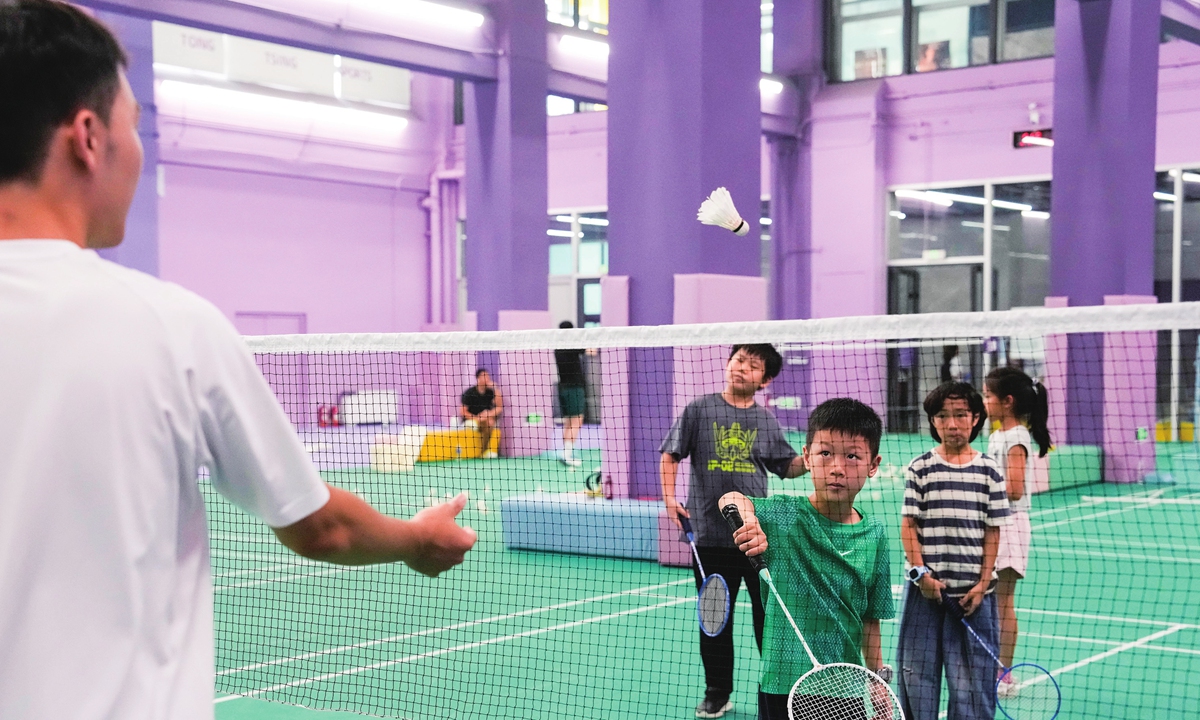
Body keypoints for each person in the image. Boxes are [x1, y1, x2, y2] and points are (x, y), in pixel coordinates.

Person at [0, 3, 477, 717]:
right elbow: (323, 527)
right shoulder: (171, 327)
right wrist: (415, 540)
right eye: (135, 128)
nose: (139, 154)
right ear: (88, 138)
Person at [719, 398, 895, 720]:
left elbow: (871, 617)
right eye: (825, 453)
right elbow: (731, 498)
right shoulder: (784, 515)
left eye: (853, 456)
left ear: (873, 464)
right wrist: (749, 521)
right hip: (782, 683)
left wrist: (877, 679)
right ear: (807, 457)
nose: (837, 467)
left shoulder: (875, 535)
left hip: (846, 687)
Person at [660, 343, 808, 719]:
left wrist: (812, 457)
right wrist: (668, 498)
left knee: (767, 619)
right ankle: (717, 691)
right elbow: (670, 453)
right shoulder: (700, 409)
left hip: (756, 536)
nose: (741, 368)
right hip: (709, 535)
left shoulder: (766, 421)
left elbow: (785, 467)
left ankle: (777, 692)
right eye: (739, 360)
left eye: (753, 365)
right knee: (714, 619)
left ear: (766, 380)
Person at [897, 382, 1011, 720]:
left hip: (973, 598)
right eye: (942, 416)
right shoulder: (920, 468)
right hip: (925, 594)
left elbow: (993, 530)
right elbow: (908, 526)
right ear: (932, 422)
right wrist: (922, 576)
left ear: (976, 418)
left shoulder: (989, 470)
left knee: (972, 685)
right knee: (917, 676)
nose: (952, 424)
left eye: (961, 415)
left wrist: (982, 583)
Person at [983, 366, 1051, 698]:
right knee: (987, 598)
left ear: (1007, 402)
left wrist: (981, 489)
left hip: (1010, 524)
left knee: (1003, 601)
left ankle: (1004, 674)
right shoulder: (996, 435)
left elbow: (1014, 487)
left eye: (987, 395)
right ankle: (988, 663)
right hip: (993, 522)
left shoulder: (1017, 437)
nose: (984, 401)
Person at [555, 320, 586, 467]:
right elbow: (589, 349)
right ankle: (567, 455)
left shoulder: (557, 347)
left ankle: (565, 453)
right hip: (574, 387)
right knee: (577, 421)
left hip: (563, 388)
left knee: (568, 422)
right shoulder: (572, 345)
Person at [461, 368, 502, 458]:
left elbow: (499, 406)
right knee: (482, 422)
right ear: (478, 378)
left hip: (484, 419)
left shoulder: (490, 392)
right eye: (484, 376)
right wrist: (477, 418)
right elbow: (463, 412)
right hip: (470, 420)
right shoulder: (469, 393)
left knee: (490, 422)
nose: (487, 378)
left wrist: (495, 388)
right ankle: (477, 452)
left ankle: (484, 451)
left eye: (488, 376)